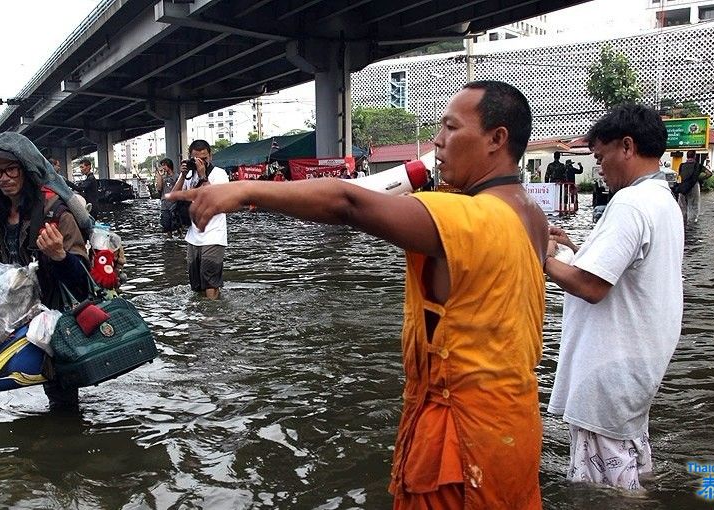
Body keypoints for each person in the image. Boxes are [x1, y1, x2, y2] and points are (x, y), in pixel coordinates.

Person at [169, 81, 549, 509]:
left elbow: (348, 202)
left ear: (497, 139)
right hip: (513, 431)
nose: (439, 141)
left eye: (451, 128)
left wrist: (244, 191)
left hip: (459, 446)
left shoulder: (470, 215)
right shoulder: (531, 213)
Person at [543, 103, 684, 490]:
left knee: (606, 491)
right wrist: (571, 247)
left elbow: (591, 286)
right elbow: (620, 271)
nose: (599, 168)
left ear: (627, 146)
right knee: (632, 467)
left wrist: (536, 256)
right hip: (635, 365)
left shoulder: (629, 203)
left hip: (607, 373)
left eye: (601, 157)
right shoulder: (662, 200)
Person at [0, 132, 94, 410]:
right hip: (25, 316)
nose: (4, 177)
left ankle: (67, 443)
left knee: (62, 394)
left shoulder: (56, 213)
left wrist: (59, 256)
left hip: (59, 317)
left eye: (11, 169)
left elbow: (83, 284)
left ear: (27, 170)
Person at [179, 140, 229, 300]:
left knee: (210, 281)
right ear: (190, 158)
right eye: (196, 159)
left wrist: (202, 175)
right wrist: (182, 175)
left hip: (214, 235)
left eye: (204, 158)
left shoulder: (219, 174)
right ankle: (201, 317)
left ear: (211, 156)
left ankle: (212, 319)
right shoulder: (189, 175)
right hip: (193, 237)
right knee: (196, 284)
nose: (201, 162)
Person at [676, 150, 712, 224]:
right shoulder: (698, 165)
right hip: (694, 187)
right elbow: (709, 174)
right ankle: (692, 224)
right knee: (693, 206)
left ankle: (683, 223)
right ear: (694, 156)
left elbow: (679, 176)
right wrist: (699, 178)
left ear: (687, 156)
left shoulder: (681, 165)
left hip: (683, 187)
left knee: (682, 206)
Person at [154, 158, 183, 237]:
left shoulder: (177, 176)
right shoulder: (163, 177)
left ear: (169, 165)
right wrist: (159, 175)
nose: (163, 167)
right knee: (166, 223)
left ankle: (180, 234)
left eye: (164, 165)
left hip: (174, 203)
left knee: (176, 222)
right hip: (165, 203)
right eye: (162, 165)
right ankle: (169, 237)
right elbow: (159, 188)